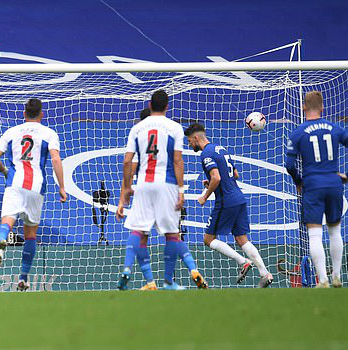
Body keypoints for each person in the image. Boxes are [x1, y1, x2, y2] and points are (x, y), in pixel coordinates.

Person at [117, 90, 207, 291]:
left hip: (144, 183)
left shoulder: (137, 129)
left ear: (150, 105)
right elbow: (177, 160)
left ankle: (128, 269)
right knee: (172, 234)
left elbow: (127, 162)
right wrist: (181, 191)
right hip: (166, 184)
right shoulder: (174, 128)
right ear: (167, 106)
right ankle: (170, 280)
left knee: (138, 231)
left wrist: (125, 192)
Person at [0, 98, 67, 291]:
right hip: (36, 187)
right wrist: (62, 187)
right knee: (30, 235)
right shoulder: (49, 133)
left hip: (14, 183)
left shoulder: (11, 132)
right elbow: (56, 159)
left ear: (24, 114)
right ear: (41, 114)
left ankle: (1, 241)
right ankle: (23, 278)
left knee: (6, 223)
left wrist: (6, 171)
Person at [185, 123, 273, 288]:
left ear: (196, 138)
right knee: (242, 239)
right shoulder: (221, 148)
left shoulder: (206, 154)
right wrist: (210, 182)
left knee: (208, 239)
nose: (189, 145)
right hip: (238, 197)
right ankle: (264, 273)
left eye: (189, 141)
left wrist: (205, 196)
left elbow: (217, 178)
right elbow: (235, 175)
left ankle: (243, 261)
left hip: (226, 201)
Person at [286, 91, 347, 288]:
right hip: (333, 182)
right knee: (335, 231)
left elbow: (289, 164)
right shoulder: (335, 128)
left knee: (314, 234)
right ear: (322, 108)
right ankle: (337, 276)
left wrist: (298, 181)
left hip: (312, 185)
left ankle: (323, 280)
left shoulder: (298, 132)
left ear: (304, 107)